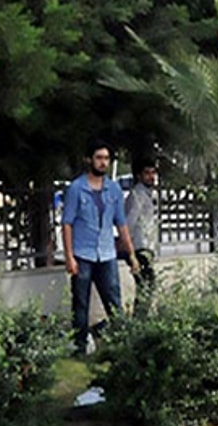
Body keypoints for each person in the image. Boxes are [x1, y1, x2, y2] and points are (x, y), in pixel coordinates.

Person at [62, 141, 140, 354]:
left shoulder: (113, 189)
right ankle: (80, 345)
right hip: (83, 254)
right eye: (99, 158)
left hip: (106, 254)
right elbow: (67, 223)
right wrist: (69, 257)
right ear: (89, 160)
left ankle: (123, 344)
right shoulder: (77, 189)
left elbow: (121, 224)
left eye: (106, 158)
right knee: (80, 304)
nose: (103, 162)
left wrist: (131, 254)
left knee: (114, 302)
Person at [124, 158, 158, 315]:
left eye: (153, 173)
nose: (151, 176)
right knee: (146, 286)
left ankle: (141, 319)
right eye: (147, 173)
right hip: (139, 247)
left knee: (147, 286)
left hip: (147, 246)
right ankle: (140, 320)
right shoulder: (138, 194)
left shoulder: (147, 193)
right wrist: (128, 245)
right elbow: (130, 221)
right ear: (139, 176)